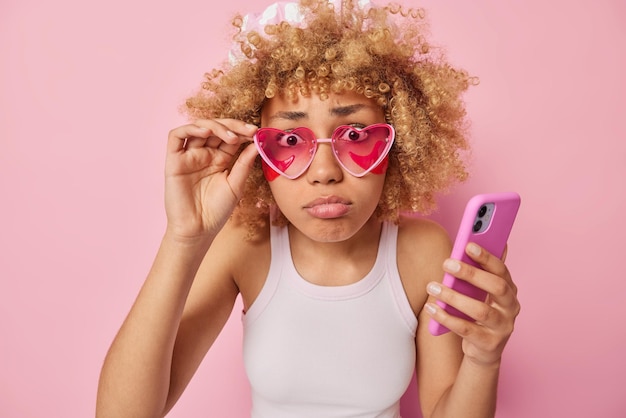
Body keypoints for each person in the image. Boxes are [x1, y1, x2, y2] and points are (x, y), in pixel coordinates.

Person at [96, 0, 521, 417]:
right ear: (254, 151)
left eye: (355, 134)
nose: (324, 173)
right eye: (290, 141)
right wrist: (183, 239)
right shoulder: (246, 247)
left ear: (401, 143)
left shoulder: (422, 251)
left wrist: (484, 360)